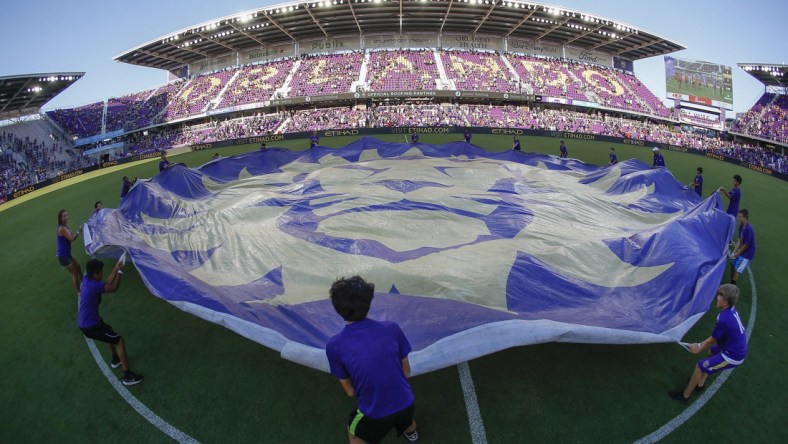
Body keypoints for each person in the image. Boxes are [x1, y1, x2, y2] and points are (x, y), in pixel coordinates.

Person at [326, 276, 419, 444]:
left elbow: (350, 392)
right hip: (406, 401)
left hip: (373, 412)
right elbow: (406, 371)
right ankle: (412, 435)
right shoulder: (392, 328)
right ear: (369, 302)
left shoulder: (334, 345)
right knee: (407, 422)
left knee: (353, 432)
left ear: (336, 308)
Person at [669, 284, 747, 404]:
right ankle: (700, 384)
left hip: (733, 355)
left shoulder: (724, 318)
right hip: (730, 345)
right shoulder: (730, 310)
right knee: (711, 351)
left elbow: (712, 340)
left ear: (725, 302)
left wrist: (698, 347)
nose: (717, 297)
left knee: (700, 366)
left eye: (719, 296)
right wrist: (700, 346)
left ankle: (685, 396)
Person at [79, 259, 144, 386]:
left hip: (89, 322)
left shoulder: (88, 280)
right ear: (96, 274)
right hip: (91, 326)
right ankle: (128, 376)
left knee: (110, 332)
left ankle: (115, 359)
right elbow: (113, 287)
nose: (102, 274)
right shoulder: (93, 286)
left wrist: (115, 268)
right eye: (101, 272)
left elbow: (106, 284)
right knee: (119, 340)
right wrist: (120, 271)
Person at [57, 209, 82, 297]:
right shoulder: (61, 229)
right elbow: (71, 238)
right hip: (63, 256)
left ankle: (84, 283)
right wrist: (79, 231)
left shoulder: (66, 226)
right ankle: (79, 292)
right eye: (64, 216)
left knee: (78, 267)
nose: (66, 217)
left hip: (67, 254)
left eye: (67, 215)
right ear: (60, 218)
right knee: (75, 273)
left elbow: (72, 234)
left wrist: (78, 231)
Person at [729, 209, 756, 286]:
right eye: (738, 217)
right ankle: (733, 279)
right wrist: (734, 252)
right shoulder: (741, 226)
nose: (738, 219)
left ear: (745, 217)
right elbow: (740, 240)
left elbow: (746, 245)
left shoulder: (749, 229)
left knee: (737, 269)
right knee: (732, 264)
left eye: (740, 217)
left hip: (748, 253)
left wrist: (738, 253)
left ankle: (732, 286)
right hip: (743, 250)